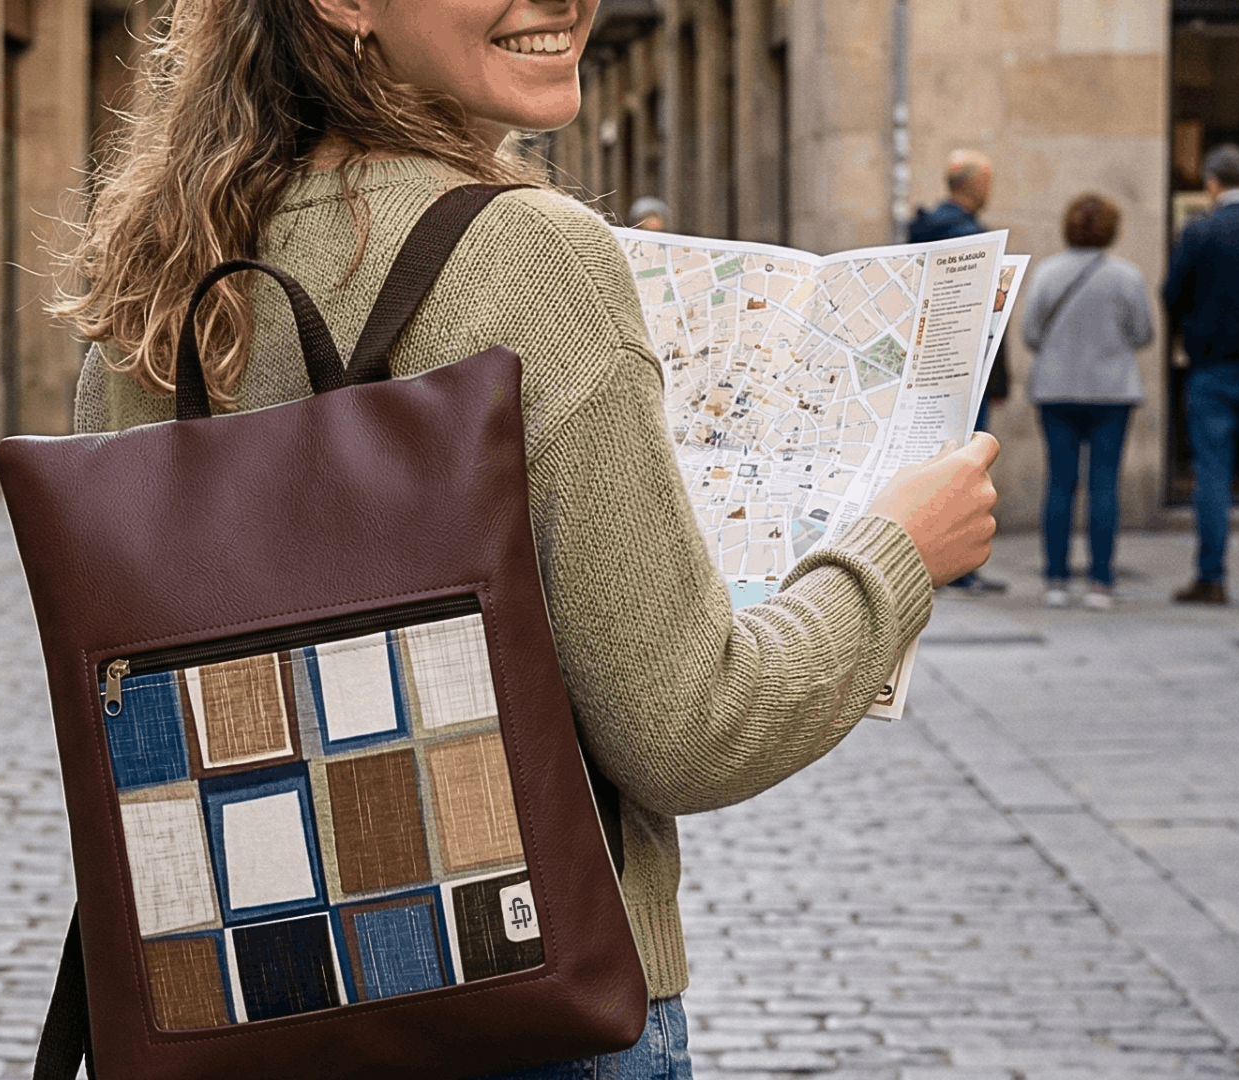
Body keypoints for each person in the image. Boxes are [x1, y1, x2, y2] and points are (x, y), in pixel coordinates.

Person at [56, 0, 999, 1074]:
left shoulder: (160, 277)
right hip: (517, 1014)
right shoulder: (531, 256)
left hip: (236, 1005)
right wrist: (899, 555)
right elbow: (691, 729)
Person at [1164, 143, 1239, 606]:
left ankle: (1211, 577)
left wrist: (1193, 328)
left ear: (1213, 183)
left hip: (1211, 367)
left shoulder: (1200, 233)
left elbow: (1173, 295)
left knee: (1212, 474)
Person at [1022, 193, 1154, 610]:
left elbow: (1029, 332)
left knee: (1059, 483)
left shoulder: (1047, 272)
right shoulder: (1127, 276)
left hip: (1056, 390)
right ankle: (1100, 581)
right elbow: (1144, 332)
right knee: (1103, 484)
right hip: (1112, 391)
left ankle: (1056, 580)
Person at [907, 149, 1010, 596]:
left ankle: (925, 561)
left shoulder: (921, 233)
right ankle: (959, 568)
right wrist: (999, 377)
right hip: (966, 368)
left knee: (933, 460)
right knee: (967, 464)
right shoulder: (972, 237)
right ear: (975, 184)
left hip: (929, 367)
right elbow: (987, 317)